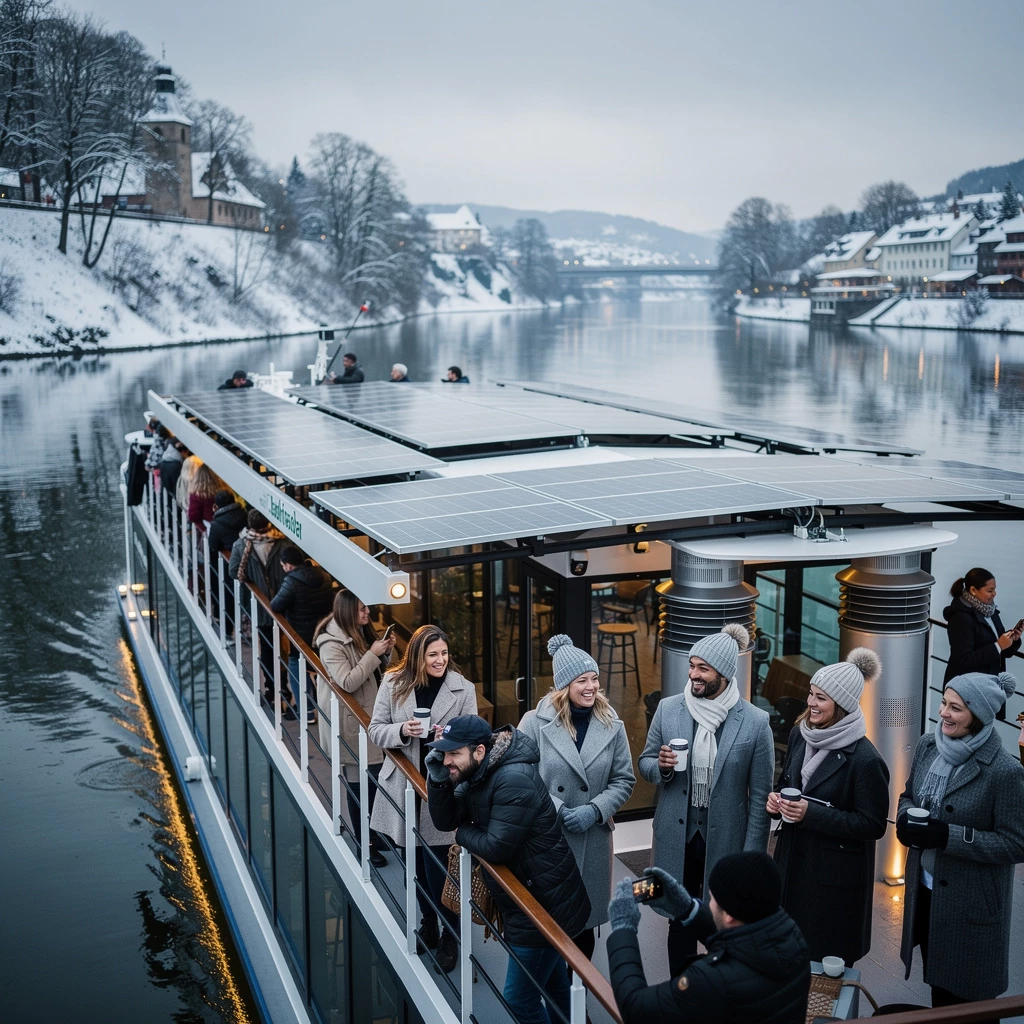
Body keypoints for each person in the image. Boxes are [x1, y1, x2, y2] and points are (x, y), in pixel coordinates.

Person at [426, 715, 590, 1024]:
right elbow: (445, 821)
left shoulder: (512, 778)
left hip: (543, 906)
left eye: (453, 754)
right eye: (444, 753)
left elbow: (495, 846)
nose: (447, 760)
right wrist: (437, 778)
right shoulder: (477, 774)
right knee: (555, 988)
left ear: (479, 752)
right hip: (529, 899)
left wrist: (463, 834)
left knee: (519, 1000)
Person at [639, 623, 773, 976]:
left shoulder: (756, 723)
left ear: (724, 674)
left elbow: (760, 798)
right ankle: (682, 990)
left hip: (727, 840)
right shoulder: (670, 709)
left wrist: (752, 856)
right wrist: (662, 767)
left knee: (723, 925)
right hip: (677, 837)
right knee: (678, 921)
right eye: (692, 665)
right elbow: (645, 763)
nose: (693, 675)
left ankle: (717, 993)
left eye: (703, 668)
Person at [896, 671, 1024, 1009]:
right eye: (943, 703)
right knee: (940, 989)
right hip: (926, 894)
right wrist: (906, 819)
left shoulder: (1005, 772)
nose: (943, 714)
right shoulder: (927, 745)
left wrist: (948, 836)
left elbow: (1016, 843)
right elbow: (908, 795)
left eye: (955, 708)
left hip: (971, 907)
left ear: (978, 717)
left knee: (967, 1004)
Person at [768, 648, 889, 965]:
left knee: (825, 973)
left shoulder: (866, 760)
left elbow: (872, 825)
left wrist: (811, 813)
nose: (810, 703)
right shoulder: (799, 734)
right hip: (792, 867)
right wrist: (775, 800)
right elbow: (786, 784)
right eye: (811, 693)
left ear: (842, 705)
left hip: (832, 884)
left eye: (820, 698)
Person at [368, 626, 478, 973]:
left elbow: (476, 741)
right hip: (403, 788)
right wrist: (403, 731)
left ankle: (451, 937)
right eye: (433, 655)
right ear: (417, 655)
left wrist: (451, 736)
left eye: (444, 654)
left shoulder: (463, 689)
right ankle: (428, 923)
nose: (440, 661)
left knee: (440, 872)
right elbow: (375, 730)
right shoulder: (392, 682)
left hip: (442, 793)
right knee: (412, 867)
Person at [518, 634, 635, 960]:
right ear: (564, 686)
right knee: (548, 928)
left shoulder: (612, 725)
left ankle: (575, 1002)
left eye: (594, 678)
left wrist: (594, 810)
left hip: (592, 839)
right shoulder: (533, 722)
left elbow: (624, 780)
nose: (591, 686)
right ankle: (555, 1003)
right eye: (582, 680)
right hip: (548, 837)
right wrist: (556, 808)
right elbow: (520, 776)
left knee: (583, 931)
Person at [606, 851, 810, 1024]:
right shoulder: (793, 938)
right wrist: (688, 909)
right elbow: (743, 945)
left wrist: (623, 927)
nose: (709, 904)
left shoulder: (709, 980)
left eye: (712, 899)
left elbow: (635, 1009)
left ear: (729, 916)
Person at [313, 592, 397, 867]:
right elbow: (347, 681)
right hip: (350, 726)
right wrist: (373, 654)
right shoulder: (330, 643)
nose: (368, 613)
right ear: (349, 611)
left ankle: (374, 835)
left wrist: (385, 652)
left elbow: (374, 674)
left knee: (374, 784)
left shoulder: (357, 632)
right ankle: (365, 844)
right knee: (360, 788)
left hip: (366, 720)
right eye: (362, 609)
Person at [271, 546, 335, 722]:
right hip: (324, 632)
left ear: (289, 565)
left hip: (301, 636)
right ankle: (328, 709)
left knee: (296, 666)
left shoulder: (291, 582)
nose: (283, 569)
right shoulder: (323, 575)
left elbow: (275, 605)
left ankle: (306, 713)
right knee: (323, 669)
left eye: (283, 566)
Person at [228, 510, 288, 694]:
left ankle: (274, 688)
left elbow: (233, 572)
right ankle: (285, 686)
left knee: (268, 650)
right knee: (286, 649)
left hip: (261, 608)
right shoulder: (282, 542)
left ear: (250, 526)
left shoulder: (241, 545)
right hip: (285, 604)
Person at [943, 568, 1021, 686]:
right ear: (973, 590)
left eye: (995, 589)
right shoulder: (960, 618)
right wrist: (998, 646)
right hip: (967, 689)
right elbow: (963, 660)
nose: (995, 594)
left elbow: (1001, 651)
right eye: (990, 590)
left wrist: (1012, 640)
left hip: (990, 685)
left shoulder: (991, 611)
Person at [206, 490, 246, 629]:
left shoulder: (216, 524)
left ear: (216, 506)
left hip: (229, 564)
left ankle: (229, 629)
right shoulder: (244, 514)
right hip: (246, 561)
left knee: (228, 597)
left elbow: (213, 545)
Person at [186, 463, 223, 530]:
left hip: (208, 526)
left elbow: (193, 515)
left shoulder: (197, 494)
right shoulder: (219, 491)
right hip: (219, 525)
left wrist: (202, 528)